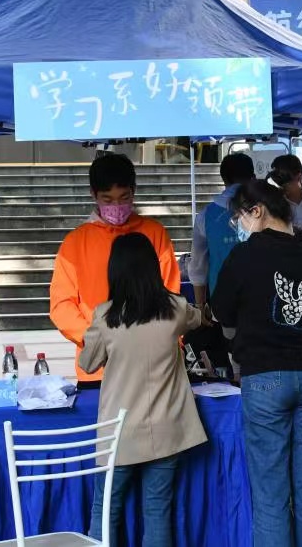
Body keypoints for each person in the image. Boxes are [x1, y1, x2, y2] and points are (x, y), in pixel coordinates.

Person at [211, 179, 302, 547]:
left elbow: (221, 310)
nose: (239, 225)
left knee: (271, 495)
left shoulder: (246, 255)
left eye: (239, 217)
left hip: (266, 377)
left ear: (257, 211)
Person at [80, 234, 208, 547]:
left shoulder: (105, 316)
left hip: (119, 434)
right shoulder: (176, 309)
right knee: (158, 511)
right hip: (166, 432)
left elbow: (87, 363)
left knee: (105, 511)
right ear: (153, 268)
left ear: (115, 271)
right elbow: (199, 318)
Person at [50, 153, 180, 385]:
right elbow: (62, 305)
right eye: (108, 200)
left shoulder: (155, 233)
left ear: (134, 191)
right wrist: (97, 340)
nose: (117, 206)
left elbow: (170, 294)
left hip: (153, 365)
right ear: (94, 195)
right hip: (100, 368)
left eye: (124, 197)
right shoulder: (74, 243)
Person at [189, 151, 255, 308]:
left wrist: (200, 306)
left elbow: (198, 267)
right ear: (253, 178)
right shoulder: (266, 210)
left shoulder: (206, 216)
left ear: (223, 179)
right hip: (262, 300)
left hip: (221, 301)